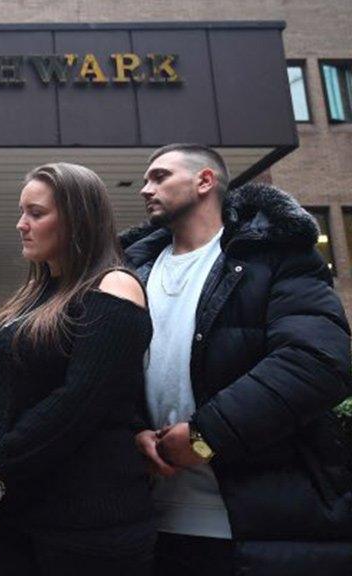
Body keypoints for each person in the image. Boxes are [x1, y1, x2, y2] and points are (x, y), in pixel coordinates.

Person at [123, 144, 352, 575]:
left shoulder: (275, 255)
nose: (144, 189)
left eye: (159, 177)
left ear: (204, 181)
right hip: (154, 525)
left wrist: (203, 437)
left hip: (260, 526)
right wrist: (133, 428)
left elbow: (318, 361)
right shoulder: (131, 273)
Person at [0, 163, 156, 576]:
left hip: (88, 523)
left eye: (36, 213)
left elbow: (77, 404)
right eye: (22, 212)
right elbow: (4, 400)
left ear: (79, 217)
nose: (21, 224)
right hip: (18, 514)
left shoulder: (115, 287)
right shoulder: (34, 296)